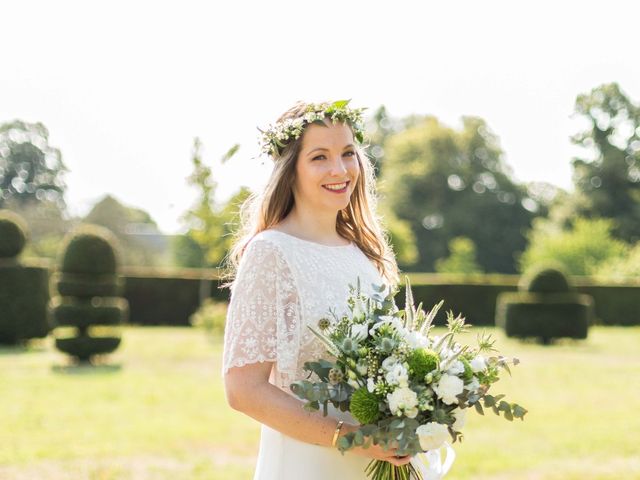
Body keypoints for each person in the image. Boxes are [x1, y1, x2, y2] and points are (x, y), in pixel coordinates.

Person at [221, 100, 412, 479]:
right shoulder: (271, 252)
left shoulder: (362, 253)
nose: (340, 169)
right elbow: (243, 390)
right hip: (309, 464)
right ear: (290, 170)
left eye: (347, 153)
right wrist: (354, 438)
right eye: (320, 157)